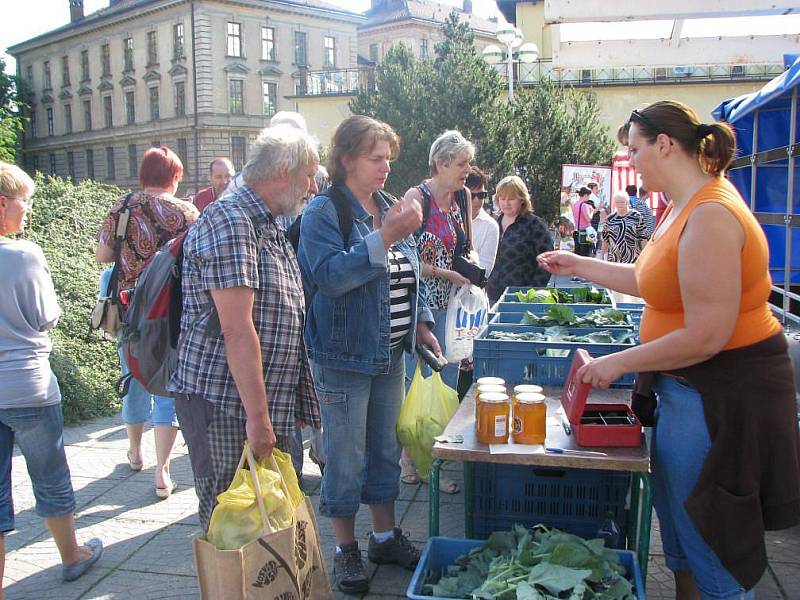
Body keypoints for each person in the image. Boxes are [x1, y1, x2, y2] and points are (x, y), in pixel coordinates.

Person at [538, 100, 800, 600]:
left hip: (718, 399)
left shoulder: (712, 216)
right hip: (683, 394)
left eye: (636, 150)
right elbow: (649, 281)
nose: (631, 161)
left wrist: (617, 363)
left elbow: (706, 336)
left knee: (712, 540)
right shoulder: (680, 206)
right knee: (680, 533)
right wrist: (579, 265)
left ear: (665, 145)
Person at [298, 115, 441, 594]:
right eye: (375, 158)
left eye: (388, 159)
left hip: (390, 354)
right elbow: (329, 277)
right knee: (344, 456)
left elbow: (406, 274)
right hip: (344, 357)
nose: (385, 167)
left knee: (383, 449)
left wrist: (419, 323)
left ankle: (382, 536)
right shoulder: (325, 211)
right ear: (347, 160)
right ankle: (344, 548)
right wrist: (386, 237)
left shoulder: (386, 204)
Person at [169, 126, 321, 533]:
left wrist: (290, 405)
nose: (312, 186)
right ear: (285, 169)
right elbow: (237, 330)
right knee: (231, 525)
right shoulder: (232, 219)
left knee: (268, 523)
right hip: (225, 404)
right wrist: (259, 418)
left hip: (260, 403)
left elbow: (282, 314)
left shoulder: (265, 221)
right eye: (309, 175)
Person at [0, 162, 103, 590]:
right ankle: (71, 556)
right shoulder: (25, 254)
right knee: (50, 476)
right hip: (28, 384)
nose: (28, 209)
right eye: (25, 200)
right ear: (3, 203)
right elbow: (47, 317)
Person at [95, 147, 198, 499]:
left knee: (133, 377)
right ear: (175, 176)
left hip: (129, 310)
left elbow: (103, 255)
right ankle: (163, 470)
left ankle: (135, 451)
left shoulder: (122, 206)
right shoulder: (188, 212)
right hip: (171, 314)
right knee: (167, 382)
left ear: (143, 174)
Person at [404, 130, 475, 390]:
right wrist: (445, 274)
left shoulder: (462, 195)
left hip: (455, 307)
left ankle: (444, 432)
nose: (468, 169)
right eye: (461, 163)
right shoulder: (417, 198)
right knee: (417, 387)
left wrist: (472, 266)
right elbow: (405, 261)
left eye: (468, 162)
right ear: (440, 164)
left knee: (447, 386)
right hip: (423, 308)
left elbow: (469, 246)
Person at [485, 175, 553, 305]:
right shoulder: (493, 224)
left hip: (522, 298)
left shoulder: (535, 225)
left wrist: (533, 292)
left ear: (522, 199)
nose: (506, 203)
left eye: (511, 198)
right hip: (492, 296)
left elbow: (547, 261)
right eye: (502, 198)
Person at [466, 167, 499, 277]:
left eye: (481, 195)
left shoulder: (491, 226)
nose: (476, 200)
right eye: (471, 195)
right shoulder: (448, 218)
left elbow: (485, 271)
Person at [600, 190, 648, 263]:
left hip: (633, 257)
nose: (619, 204)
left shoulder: (636, 216)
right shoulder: (609, 219)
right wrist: (602, 255)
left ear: (627, 202)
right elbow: (605, 239)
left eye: (622, 202)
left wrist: (645, 255)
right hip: (614, 258)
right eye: (617, 202)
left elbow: (643, 237)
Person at [571, 186, 595, 257]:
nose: (589, 198)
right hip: (585, 231)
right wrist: (592, 212)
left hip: (577, 231)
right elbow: (588, 219)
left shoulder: (574, 204)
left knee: (578, 254)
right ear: (585, 195)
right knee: (586, 254)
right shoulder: (584, 205)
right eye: (588, 196)